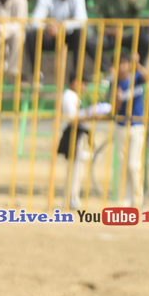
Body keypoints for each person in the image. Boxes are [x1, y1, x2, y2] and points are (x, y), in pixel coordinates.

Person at [27, 0, 87, 77]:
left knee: (80, 33)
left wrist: (60, 26)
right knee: (31, 35)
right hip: (50, 36)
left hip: (68, 36)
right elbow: (35, 21)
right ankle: (36, 73)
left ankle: (78, 75)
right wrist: (48, 27)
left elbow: (82, 20)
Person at [57, 71, 103, 210]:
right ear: (75, 82)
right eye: (83, 84)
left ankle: (72, 198)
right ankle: (71, 199)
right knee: (75, 169)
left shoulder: (74, 96)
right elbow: (72, 119)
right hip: (74, 133)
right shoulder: (69, 96)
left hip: (78, 133)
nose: (84, 87)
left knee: (77, 168)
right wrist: (90, 115)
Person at [111, 50, 149, 208]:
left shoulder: (136, 78)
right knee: (123, 165)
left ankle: (137, 198)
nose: (122, 67)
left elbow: (148, 78)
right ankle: (124, 199)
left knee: (134, 165)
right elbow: (114, 109)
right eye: (119, 64)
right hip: (121, 126)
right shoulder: (115, 83)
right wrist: (118, 99)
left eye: (124, 63)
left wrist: (137, 63)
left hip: (136, 125)